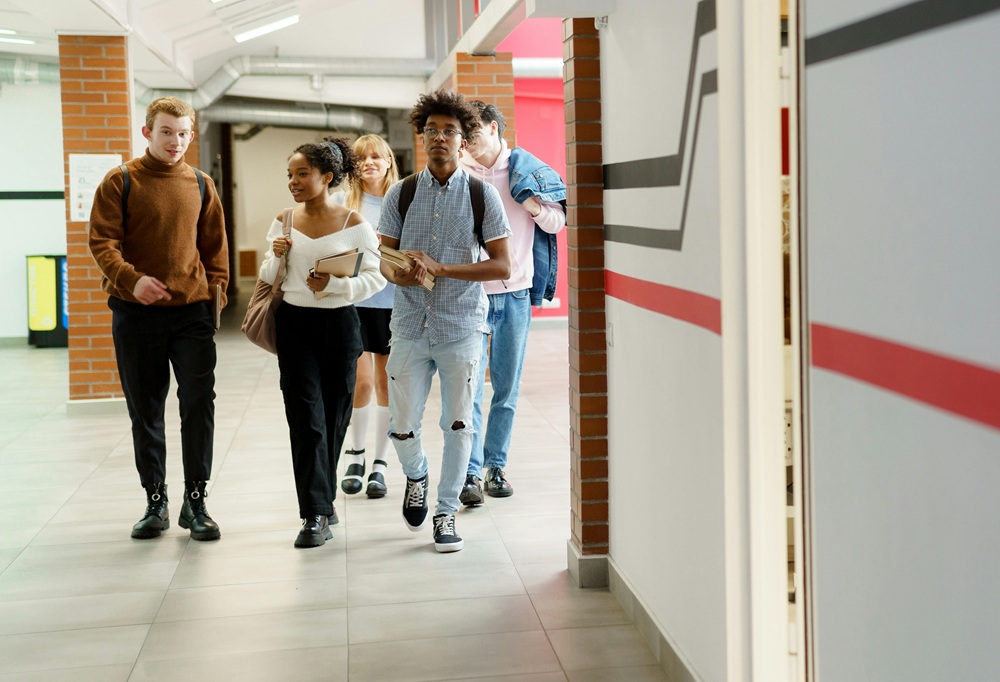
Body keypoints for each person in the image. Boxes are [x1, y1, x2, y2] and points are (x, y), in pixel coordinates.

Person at [89, 96, 228, 541]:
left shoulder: (203, 185)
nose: (176, 141)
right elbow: (102, 243)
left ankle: (197, 500)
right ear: (148, 133)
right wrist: (133, 281)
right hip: (136, 314)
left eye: (184, 133)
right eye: (167, 131)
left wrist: (215, 302)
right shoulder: (121, 181)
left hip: (191, 316)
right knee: (146, 409)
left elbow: (215, 252)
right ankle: (156, 502)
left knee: (197, 407)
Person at [378, 90, 512, 553]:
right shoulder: (402, 192)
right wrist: (405, 274)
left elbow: (502, 266)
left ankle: (446, 510)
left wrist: (441, 268)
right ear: (422, 136)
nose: (439, 137)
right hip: (409, 325)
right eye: (431, 129)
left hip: (461, 327)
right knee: (400, 423)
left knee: (458, 424)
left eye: (449, 131)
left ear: (463, 140)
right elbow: (384, 262)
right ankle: (416, 475)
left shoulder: (482, 195)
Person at [260, 137, 386, 548]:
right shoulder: (285, 220)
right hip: (295, 326)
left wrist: (335, 285)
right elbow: (266, 274)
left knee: (334, 418)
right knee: (306, 420)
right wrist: (277, 255)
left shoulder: (354, 224)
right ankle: (314, 514)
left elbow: (376, 277)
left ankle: (323, 496)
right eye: (290, 175)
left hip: (341, 327)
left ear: (327, 177)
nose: (294, 182)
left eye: (302, 174)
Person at [458, 100, 567, 505]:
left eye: (470, 130)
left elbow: (558, 222)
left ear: (491, 127)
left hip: (515, 293)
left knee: (506, 387)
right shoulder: (459, 174)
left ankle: (494, 467)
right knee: (468, 388)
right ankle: (468, 472)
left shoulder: (526, 169)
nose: (464, 140)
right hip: (469, 296)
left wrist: (531, 203)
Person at [331, 135, 399, 499]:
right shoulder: (342, 202)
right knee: (360, 383)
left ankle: (380, 464)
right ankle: (355, 455)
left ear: (389, 160)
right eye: (361, 158)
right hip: (355, 304)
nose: (369, 162)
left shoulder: (401, 200)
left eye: (376, 156)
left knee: (387, 385)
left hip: (392, 305)